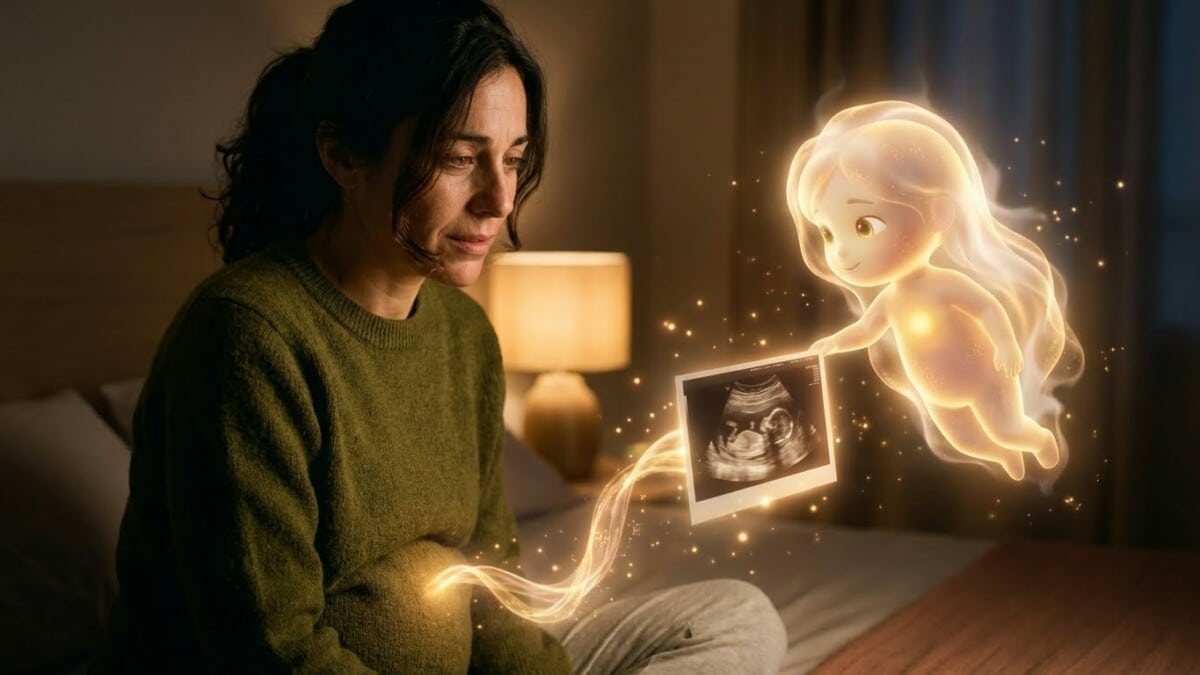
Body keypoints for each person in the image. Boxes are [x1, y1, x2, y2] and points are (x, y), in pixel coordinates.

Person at [93, 1, 785, 672]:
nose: (500, 199)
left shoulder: (463, 333)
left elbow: (491, 582)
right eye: (461, 158)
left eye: (513, 159)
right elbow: (270, 650)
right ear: (342, 156)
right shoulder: (248, 337)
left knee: (737, 615)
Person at [786, 100, 1083, 485]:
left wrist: (1006, 345)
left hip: (986, 378)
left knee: (1006, 427)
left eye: (863, 227)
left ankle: (1034, 439)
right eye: (828, 233)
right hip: (936, 394)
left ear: (939, 214)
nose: (840, 251)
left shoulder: (943, 284)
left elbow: (987, 307)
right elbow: (866, 330)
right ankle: (1003, 454)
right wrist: (835, 343)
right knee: (964, 440)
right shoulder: (891, 299)